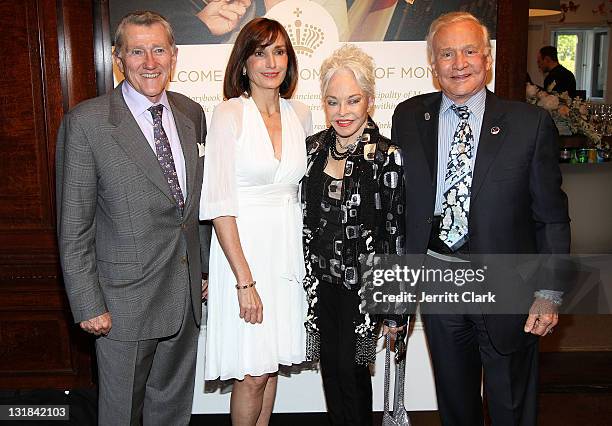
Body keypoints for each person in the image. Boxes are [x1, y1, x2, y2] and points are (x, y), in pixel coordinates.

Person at [392, 12, 570, 426]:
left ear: (486, 58)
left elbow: (553, 218)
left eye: (470, 51)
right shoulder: (407, 117)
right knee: (456, 406)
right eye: (447, 54)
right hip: (440, 283)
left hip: (508, 286)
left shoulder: (529, 124)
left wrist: (550, 292)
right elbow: (400, 207)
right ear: (432, 64)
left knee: (510, 405)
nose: (459, 63)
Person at [56, 10, 210, 426]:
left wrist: (204, 270)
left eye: (159, 50)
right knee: (121, 414)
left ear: (174, 55)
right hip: (122, 304)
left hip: (183, 297)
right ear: (118, 57)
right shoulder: (87, 123)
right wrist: (88, 302)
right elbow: (74, 227)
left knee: (172, 412)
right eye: (137, 51)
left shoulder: (191, 114)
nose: (150, 62)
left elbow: (194, 208)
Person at [199, 17, 312, 426]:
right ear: (243, 62)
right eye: (260, 52)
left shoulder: (301, 112)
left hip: (286, 255)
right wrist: (244, 282)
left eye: (279, 51)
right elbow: (219, 204)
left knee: (270, 363)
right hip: (243, 257)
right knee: (252, 371)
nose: (271, 62)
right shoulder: (229, 114)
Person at [301, 44, 406, 426]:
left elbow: (394, 232)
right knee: (331, 372)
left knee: (353, 373)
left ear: (370, 102)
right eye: (333, 101)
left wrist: (396, 311)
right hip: (320, 285)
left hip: (365, 289)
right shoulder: (312, 149)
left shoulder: (387, 155)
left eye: (352, 100)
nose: (342, 112)